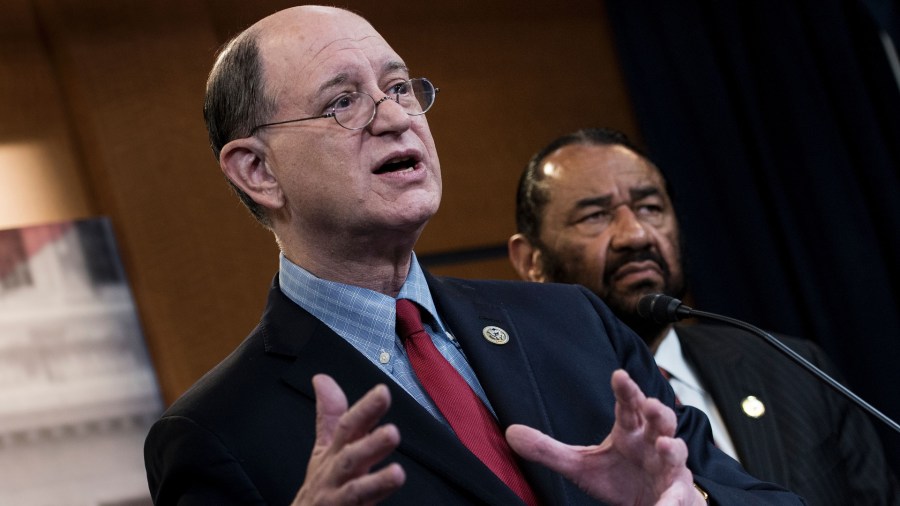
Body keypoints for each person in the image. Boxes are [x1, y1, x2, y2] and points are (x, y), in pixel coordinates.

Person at [143, 7, 806, 505]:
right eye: (342, 101)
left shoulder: (574, 323)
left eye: (400, 87)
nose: (395, 116)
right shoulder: (216, 435)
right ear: (257, 170)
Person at [508, 127, 900, 506]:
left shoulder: (792, 367)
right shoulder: (522, 410)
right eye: (595, 215)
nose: (637, 234)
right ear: (531, 261)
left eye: (650, 207)